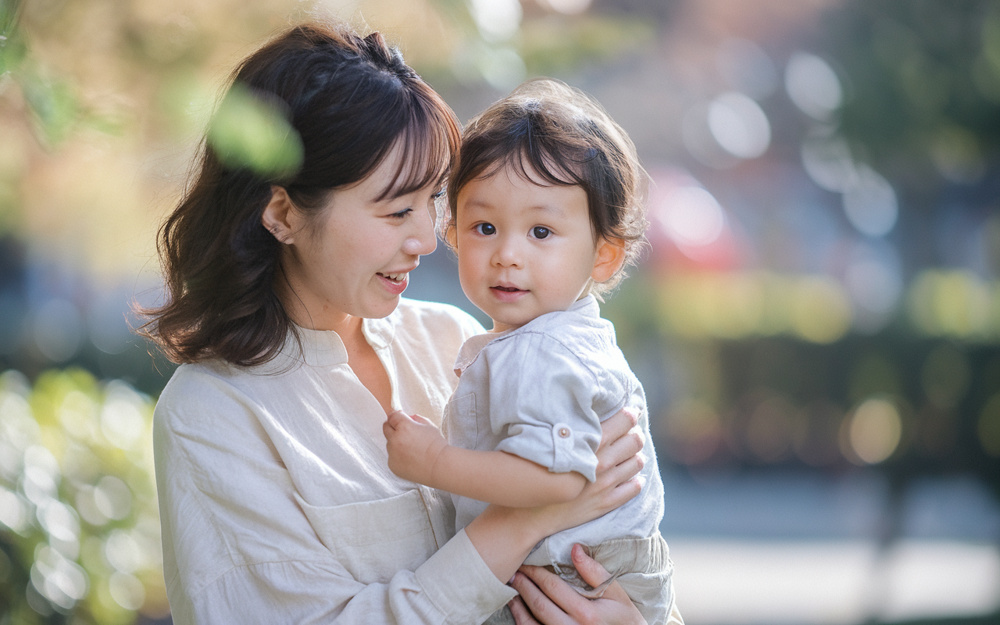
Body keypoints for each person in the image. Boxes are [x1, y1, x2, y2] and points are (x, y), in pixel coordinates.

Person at [141, 20, 650, 625]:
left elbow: (626, 552)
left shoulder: (456, 341)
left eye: (432, 201)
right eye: (395, 211)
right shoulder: (214, 412)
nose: (428, 240)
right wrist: (527, 517)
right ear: (282, 213)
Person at [384, 78, 681, 625]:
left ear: (604, 256)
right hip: (592, 567)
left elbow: (555, 479)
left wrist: (434, 462)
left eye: (541, 231)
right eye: (485, 227)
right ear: (454, 233)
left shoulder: (544, 349)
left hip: (572, 573)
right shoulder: (543, 339)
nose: (507, 254)